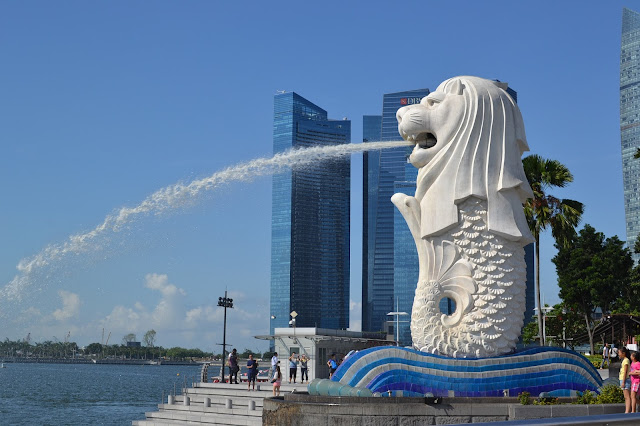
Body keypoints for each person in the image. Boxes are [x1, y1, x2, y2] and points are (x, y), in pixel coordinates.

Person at [619, 347, 631, 413]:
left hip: (625, 380)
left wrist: (623, 382)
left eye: (619, 353)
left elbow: (625, 371)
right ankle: (627, 411)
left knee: (627, 397)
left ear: (623, 353)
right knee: (626, 397)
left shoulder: (626, 360)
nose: (619, 354)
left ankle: (627, 411)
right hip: (623, 379)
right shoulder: (624, 360)